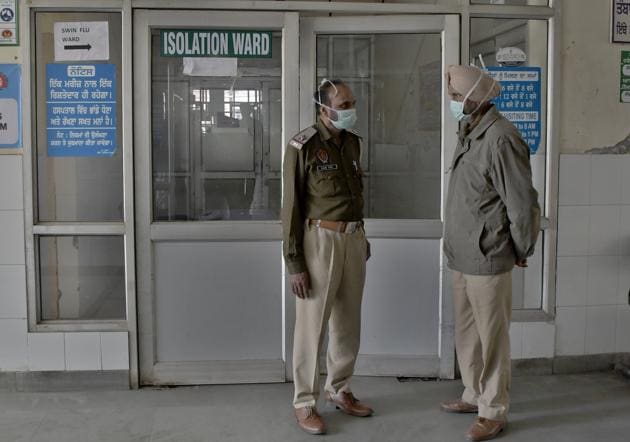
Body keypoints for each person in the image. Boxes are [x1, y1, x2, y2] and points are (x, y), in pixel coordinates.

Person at [440, 64, 540, 442]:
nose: (450, 102)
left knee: (492, 336)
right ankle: (474, 393)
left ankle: (493, 410)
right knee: (467, 333)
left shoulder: (500, 138)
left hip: (489, 254)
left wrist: (521, 245)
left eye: (454, 97)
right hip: (462, 255)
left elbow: (522, 202)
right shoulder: (469, 131)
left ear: (474, 99)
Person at [282, 79, 373, 435]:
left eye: (352, 102)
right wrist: (295, 263)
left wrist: (362, 235)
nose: (351, 109)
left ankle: (340, 389)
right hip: (319, 240)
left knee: (348, 322)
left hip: (352, 239)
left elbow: (355, 193)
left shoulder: (352, 143)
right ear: (323, 108)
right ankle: (305, 402)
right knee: (312, 327)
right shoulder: (302, 145)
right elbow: (291, 208)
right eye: (344, 103)